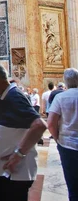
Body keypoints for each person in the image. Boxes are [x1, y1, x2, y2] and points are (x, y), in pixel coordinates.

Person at [0, 58, 47, 201]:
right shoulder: (3, 96)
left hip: (15, 172)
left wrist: (19, 154)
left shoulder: (14, 96)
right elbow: (11, 126)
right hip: (5, 170)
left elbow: (39, 125)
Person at [47, 67, 78, 201]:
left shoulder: (61, 97)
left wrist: (57, 138)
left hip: (67, 145)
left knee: (73, 185)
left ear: (65, 81)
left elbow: (51, 123)